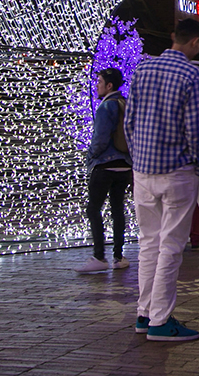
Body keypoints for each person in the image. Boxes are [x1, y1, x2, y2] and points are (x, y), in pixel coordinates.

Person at [125, 18, 199, 342]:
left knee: (149, 245)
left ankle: (145, 313)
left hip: (143, 170)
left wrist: (138, 158)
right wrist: (197, 164)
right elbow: (193, 128)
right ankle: (160, 319)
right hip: (176, 170)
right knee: (171, 247)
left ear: (174, 37)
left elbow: (129, 121)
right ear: (195, 43)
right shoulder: (191, 74)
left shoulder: (142, 69)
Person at [75, 68, 133, 273]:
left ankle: (99, 255)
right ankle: (119, 255)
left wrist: (91, 156)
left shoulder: (106, 106)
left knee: (93, 209)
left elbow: (100, 138)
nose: (96, 85)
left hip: (105, 165)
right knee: (117, 209)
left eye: (99, 81)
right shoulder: (125, 104)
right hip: (124, 166)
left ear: (109, 85)